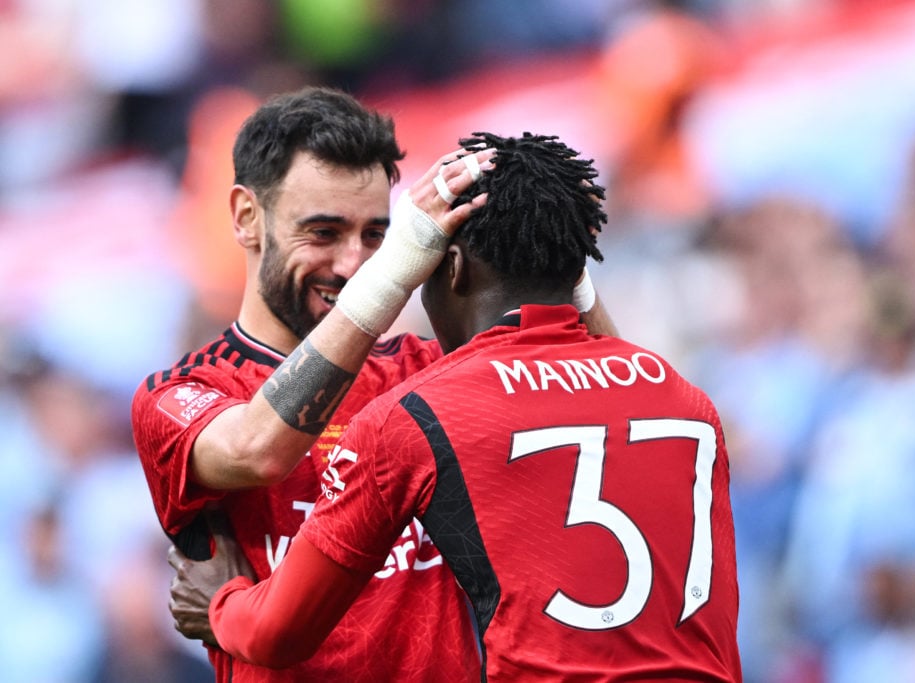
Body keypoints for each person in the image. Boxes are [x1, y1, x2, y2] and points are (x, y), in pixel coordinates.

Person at [168, 131, 743, 681]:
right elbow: (606, 364)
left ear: (449, 265)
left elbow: (277, 634)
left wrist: (220, 602)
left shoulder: (417, 417)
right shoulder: (684, 399)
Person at [131, 86, 615, 682]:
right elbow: (258, 450)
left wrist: (558, 254)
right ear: (246, 218)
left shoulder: (430, 369)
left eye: (377, 236)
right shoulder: (181, 392)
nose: (353, 264)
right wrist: (392, 274)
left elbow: (611, 390)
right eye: (324, 233)